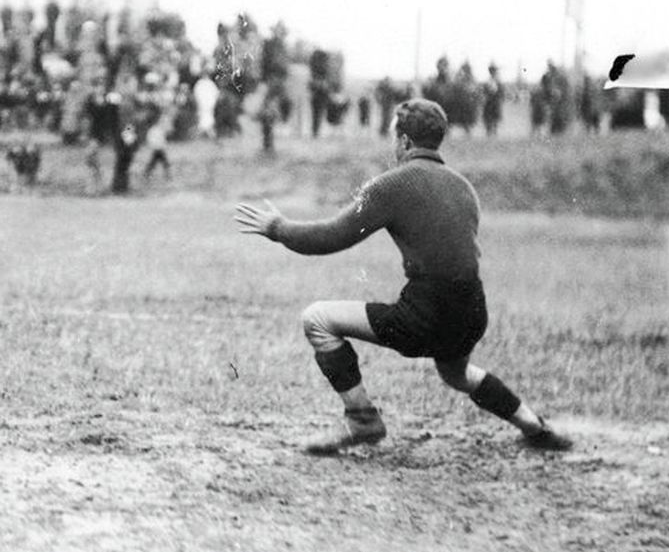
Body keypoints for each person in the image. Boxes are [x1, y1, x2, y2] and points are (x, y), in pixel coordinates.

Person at [234, 98, 572, 455]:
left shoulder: (391, 184)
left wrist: (277, 228)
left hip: (425, 315)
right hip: (473, 311)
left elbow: (331, 237)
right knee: (456, 374)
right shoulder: (464, 188)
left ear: (406, 142)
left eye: (393, 136)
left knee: (317, 319)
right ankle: (536, 428)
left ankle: (362, 419)